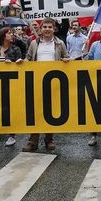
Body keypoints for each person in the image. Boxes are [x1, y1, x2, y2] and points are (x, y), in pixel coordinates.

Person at [22, 18, 70, 152]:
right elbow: (29, 57)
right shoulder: (33, 43)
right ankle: (33, 140)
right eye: (45, 27)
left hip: (53, 83)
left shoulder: (60, 43)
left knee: (50, 112)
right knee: (35, 111)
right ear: (41, 29)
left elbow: (66, 57)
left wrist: (67, 60)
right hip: (36, 83)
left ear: (54, 29)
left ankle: (49, 139)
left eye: (50, 27)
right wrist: (22, 61)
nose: (47, 29)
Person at [0, 27, 24, 149]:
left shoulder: (16, 49)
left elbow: (20, 65)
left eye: (12, 33)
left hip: (11, 85)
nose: (12, 35)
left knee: (9, 110)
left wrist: (11, 64)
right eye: (9, 33)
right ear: (3, 36)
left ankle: (11, 136)